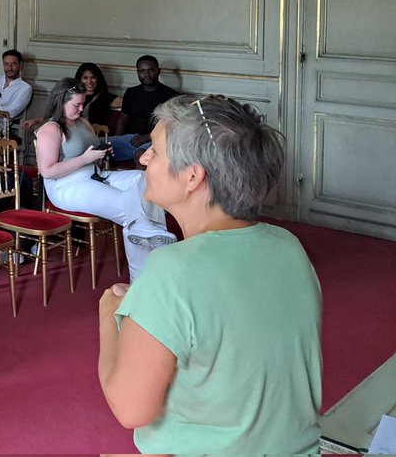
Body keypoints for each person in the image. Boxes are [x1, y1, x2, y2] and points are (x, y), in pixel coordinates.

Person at [99, 95, 322, 454]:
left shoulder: (173, 268)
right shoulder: (289, 247)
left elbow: (131, 409)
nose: (143, 158)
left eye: (155, 150)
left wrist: (109, 315)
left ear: (192, 176)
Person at [36, 77, 175, 281]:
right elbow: (47, 171)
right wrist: (85, 158)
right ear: (61, 101)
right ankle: (142, 276)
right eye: (76, 104)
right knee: (130, 208)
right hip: (67, 185)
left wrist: (102, 152)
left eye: (83, 103)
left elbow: (91, 151)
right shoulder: (51, 129)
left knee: (142, 178)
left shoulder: (82, 122)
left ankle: (151, 233)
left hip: (96, 174)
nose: (81, 108)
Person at [108, 55, 180, 165]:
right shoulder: (131, 93)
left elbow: (173, 126)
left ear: (158, 71)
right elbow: (123, 118)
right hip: (131, 139)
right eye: (142, 71)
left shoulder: (171, 96)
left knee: (142, 155)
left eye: (151, 70)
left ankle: (143, 182)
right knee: (97, 145)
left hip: (155, 141)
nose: (146, 74)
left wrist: (147, 137)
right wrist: (118, 138)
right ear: (137, 72)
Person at [0, 49, 33, 124]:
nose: (9, 68)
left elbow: (12, 112)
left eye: (13, 64)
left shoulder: (25, 88)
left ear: (20, 65)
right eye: (6, 64)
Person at [75, 61, 122, 128]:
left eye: (93, 77)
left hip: (96, 134)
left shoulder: (104, 97)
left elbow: (128, 102)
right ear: (80, 80)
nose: (89, 81)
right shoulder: (73, 95)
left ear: (98, 79)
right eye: (85, 78)